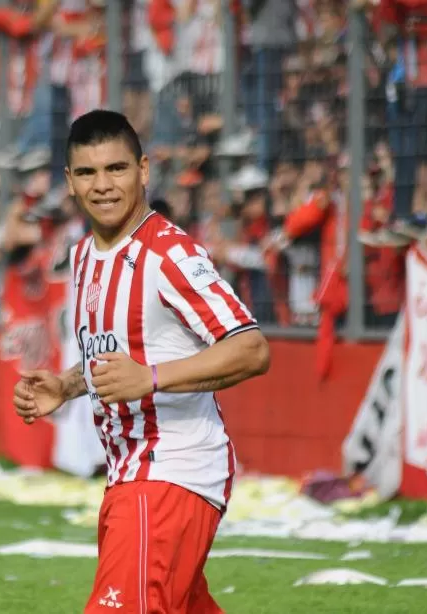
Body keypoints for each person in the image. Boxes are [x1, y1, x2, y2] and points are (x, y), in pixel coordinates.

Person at [13, 110, 270, 613]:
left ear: (144, 170)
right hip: (128, 473)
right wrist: (67, 386)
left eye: (117, 169)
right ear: (69, 181)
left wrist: (150, 380)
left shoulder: (169, 254)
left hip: (171, 472)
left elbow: (251, 347)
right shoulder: (85, 254)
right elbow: (121, 355)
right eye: (87, 172)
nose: (103, 185)